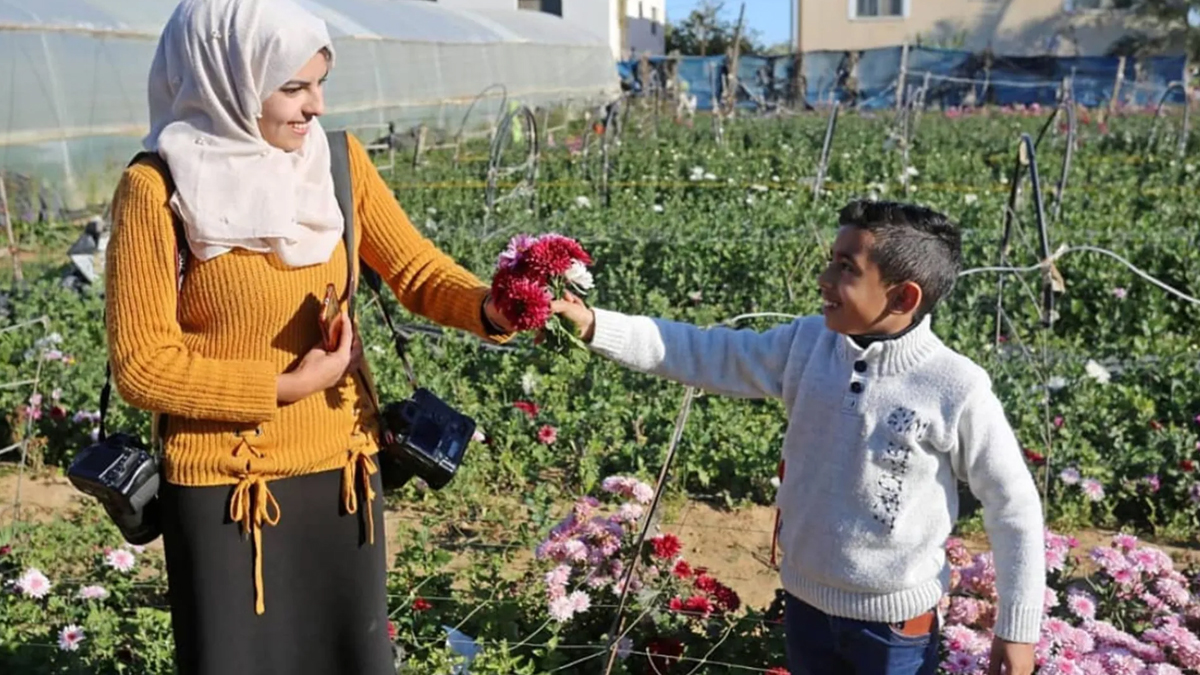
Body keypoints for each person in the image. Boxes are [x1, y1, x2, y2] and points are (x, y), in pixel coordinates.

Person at [104, 0, 520, 673]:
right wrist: (289, 385)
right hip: (229, 492)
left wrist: (492, 307)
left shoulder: (336, 164)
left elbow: (414, 269)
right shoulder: (155, 190)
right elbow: (143, 366)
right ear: (226, 80)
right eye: (293, 87)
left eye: (320, 82)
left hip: (342, 478)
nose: (316, 106)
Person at [552, 200, 1045, 675]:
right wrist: (596, 325)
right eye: (830, 261)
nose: (824, 279)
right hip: (806, 605)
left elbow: (1012, 504)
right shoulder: (807, 344)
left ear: (903, 298)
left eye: (845, 268)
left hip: (893, 630)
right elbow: (706, 352)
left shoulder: (954, 386)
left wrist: (1017, 629)